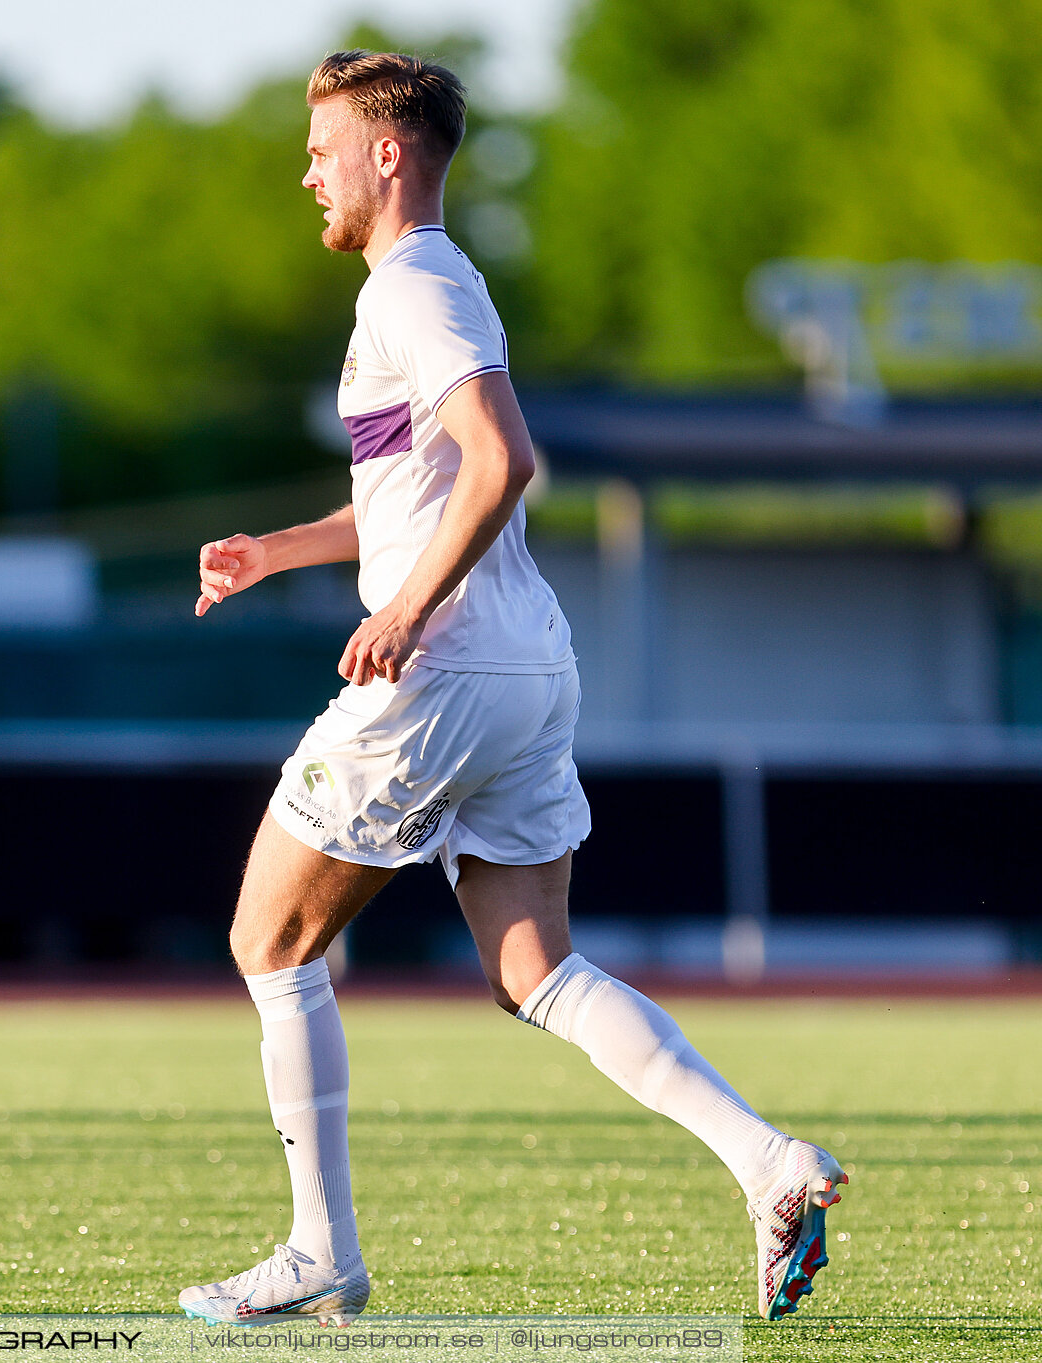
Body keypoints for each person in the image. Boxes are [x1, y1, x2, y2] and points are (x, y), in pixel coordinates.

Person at [176, 49, 844, 1327]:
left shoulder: (413, 286)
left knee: (270, 938)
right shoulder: (437, 284)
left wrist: (404, 608)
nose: (304, 170)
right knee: (534, 968)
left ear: (386, 154)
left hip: (448, 666)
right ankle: (769, 1162)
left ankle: (322, 1250)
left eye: (321, 147)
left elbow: (503, 461)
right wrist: (282, 550)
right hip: (529, 666)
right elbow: (415, 488)